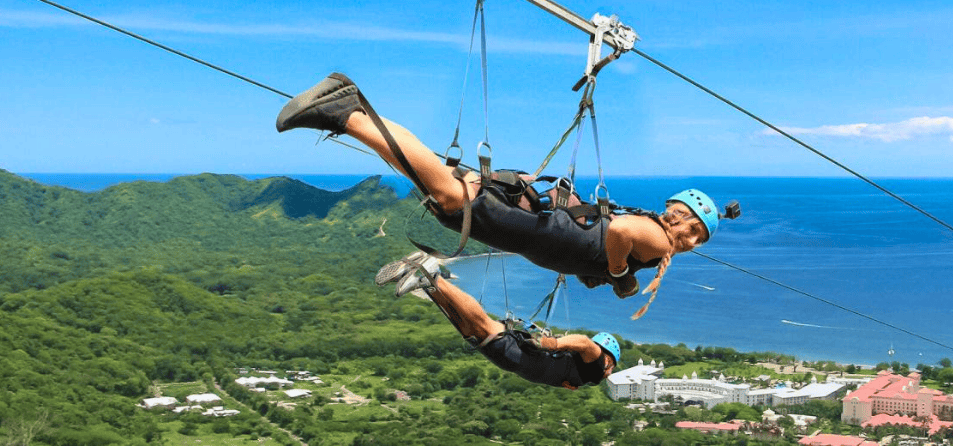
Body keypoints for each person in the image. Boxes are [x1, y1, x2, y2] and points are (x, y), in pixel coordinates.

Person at [276, 72, 733, 317]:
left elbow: (602, 241)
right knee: (450, 199)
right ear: (678, 217)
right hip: (535, 228)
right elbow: (620, 233)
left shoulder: (655, 238)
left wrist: (600, 271)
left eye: (698, 238)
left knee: (437, 183)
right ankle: (347, 111)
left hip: (536, 224)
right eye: (694, 230)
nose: (691, 241)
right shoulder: (656, 238)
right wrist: (617, 273)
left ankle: (350, 111)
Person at [377, 251, 619, 389]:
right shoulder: (597, 365)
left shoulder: (585, 373)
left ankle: (425, 280)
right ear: (607, 358)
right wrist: (551, 344)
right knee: (483, 326)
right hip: (525, 356)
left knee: (471, 332)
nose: (610, 374)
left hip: (522, 360)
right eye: (612, 367)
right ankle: (433, 276)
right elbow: (585, 342)